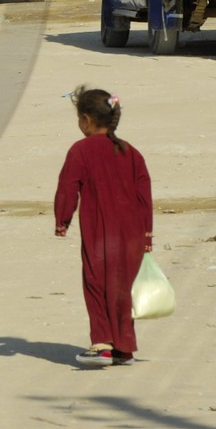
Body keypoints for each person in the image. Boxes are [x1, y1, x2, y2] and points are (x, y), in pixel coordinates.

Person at [54, 86, 154, 368]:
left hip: (100, 230)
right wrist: (147, 236)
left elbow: (67, 187)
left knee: (96, 283)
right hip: (133, 233)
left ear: (86, 119)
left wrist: (62, 220)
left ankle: (102, 344)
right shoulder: (131, 152)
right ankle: (123, 347)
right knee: (123, 288)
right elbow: (144, 197)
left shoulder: (80, 150)